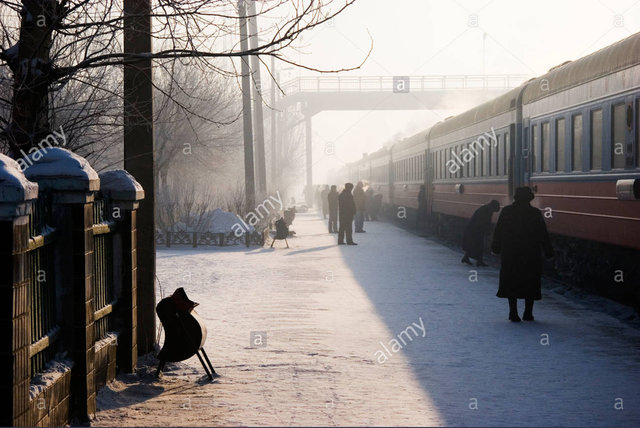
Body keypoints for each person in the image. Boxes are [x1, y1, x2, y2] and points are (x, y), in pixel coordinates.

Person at [491, 187, 553, 322]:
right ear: (529, 199)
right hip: (530, 254)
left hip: (511, 253)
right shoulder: (534, 213)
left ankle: (513, 312)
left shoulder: (507, 211)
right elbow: (543, 234)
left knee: (511, 281)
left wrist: (496, 247)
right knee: (530, 282)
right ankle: (528, 313)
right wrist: (548, 250)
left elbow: (498, 231)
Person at [461, 200, 500, 267]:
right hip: (476, 230)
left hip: (474, 229)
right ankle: (478, 261)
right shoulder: (487, 211)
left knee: (474, 245)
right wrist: (488, 231)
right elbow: (485, 222)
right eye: (496, 208)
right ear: (493, 206)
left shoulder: (486, 209)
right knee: (479, 245)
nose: (497, 209)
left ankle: (467, 258)